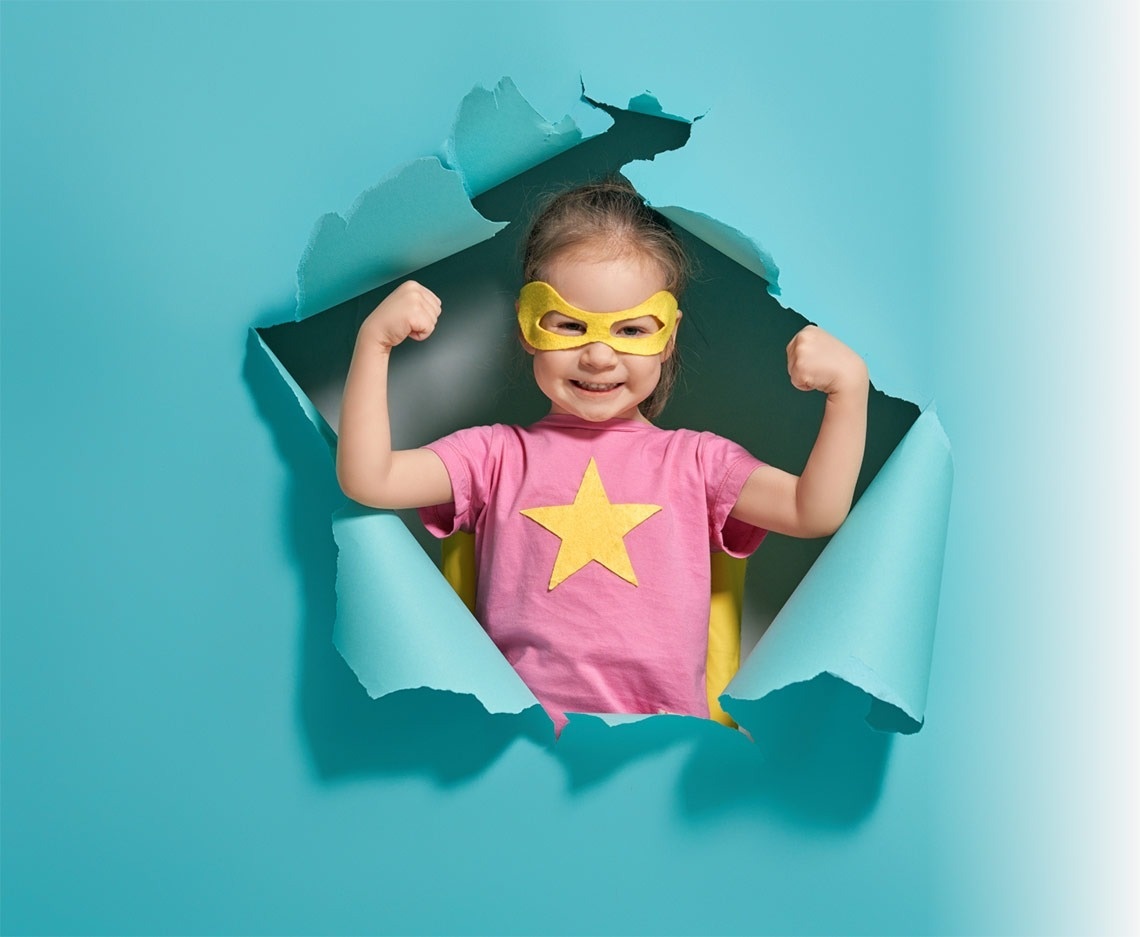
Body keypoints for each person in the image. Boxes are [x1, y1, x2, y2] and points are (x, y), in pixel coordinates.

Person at [336, 179, 869, 731]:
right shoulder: (494, 457)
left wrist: (849, 392)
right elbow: (369, 479)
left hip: (660, 755)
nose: (597, 355)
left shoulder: (698, 464)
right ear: (527, 325)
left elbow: (816, 511)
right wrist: (373, 344)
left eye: (631, 330)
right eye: (568, 325)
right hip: (524, 750)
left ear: (667, 338)